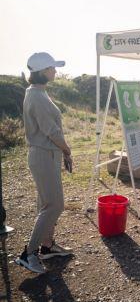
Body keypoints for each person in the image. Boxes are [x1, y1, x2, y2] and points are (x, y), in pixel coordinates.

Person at [16, 52, 73, 274]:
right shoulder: (37, 96)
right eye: (52, 68)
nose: (55, 71)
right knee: (54, 204)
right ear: (42, 71)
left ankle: (47, 246)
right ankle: (28, 254)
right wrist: (67, 150)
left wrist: (62, 153)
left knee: (45, 204)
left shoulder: (38, 92)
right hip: (43, 154)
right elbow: (51, 131)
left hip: (46, 154)